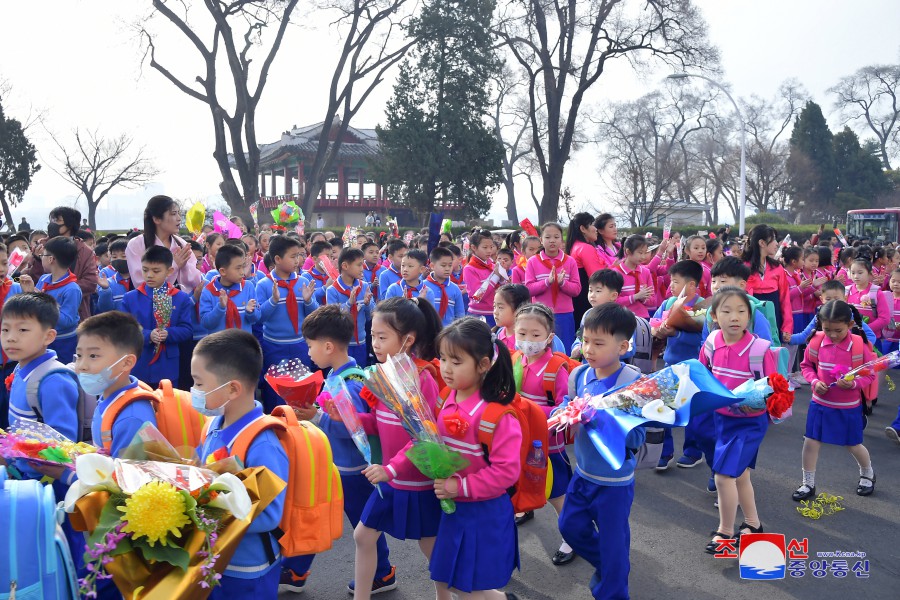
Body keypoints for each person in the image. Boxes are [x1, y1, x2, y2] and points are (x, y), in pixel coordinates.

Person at [279, 305, 395, 595]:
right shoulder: (341, 375)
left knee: (361, 524)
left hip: (353, 471)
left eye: (310, 345)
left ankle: (382, 572)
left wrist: (316, 417)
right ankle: (297, 568)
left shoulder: (349, 383)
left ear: (328, 346)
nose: (308, 352)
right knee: (321, 517)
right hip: (338, 465)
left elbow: (353, 429)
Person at [352, 297, 443, 600]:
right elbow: (379, 423)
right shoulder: (381, 374)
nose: (374, 344)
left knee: (432, 548)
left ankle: (446, 596)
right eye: (372, 336)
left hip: (415, 481)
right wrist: (345, 416)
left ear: (408, 340)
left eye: (382, 337)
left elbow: (423, 437)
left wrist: (390, 468)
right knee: (363, 536)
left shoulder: (422, 378)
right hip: (390, 478)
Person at [555, 303, 643, 600]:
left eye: (598, 343)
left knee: (613, 541)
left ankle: (614, 589)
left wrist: (603, 419)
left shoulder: (634, 384)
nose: (588, 349)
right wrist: (558, 415)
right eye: (585, 340)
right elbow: (566, 406)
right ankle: (613, 569)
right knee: (569, 526)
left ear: (622, 346)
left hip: (614, 483)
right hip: (583, 473)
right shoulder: (579, 375)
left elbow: (638, 436)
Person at [430, 317, 522, 600]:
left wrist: (460, 487)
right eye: (443, 358)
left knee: (467, 584)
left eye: (456, 362)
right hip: (454, 509)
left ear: (483, 365)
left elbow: (507, 472)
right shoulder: (447, 396)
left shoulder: (497, 415)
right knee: (452, 579)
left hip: (483, 512)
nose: (446, 368)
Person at [193, 329, 289, 599]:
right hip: (215, 558)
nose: (194, 392)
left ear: (232, 388)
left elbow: (269, 516)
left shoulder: (263, 444)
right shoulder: (214, 423)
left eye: (199, 384)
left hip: (248, 567)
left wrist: (209, 508)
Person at [700, 287, 776, 554]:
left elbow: (774, 387)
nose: (735, 317)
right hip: (721, 420)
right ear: (714, 315)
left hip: (749, 424)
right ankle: (753, 524)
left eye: (741, 311)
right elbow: (702, 375)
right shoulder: (711, 342)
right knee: (740, 475)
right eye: (727, 311)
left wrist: (759, 399)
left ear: (750, 315)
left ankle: (726, 532)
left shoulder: (759, 349)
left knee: (723, 477)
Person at [510, 303, 574, 566]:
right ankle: (525, 508)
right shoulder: (515, 359)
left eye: (535, 335)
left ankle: (572, 536)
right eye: (522, 333)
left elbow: (565, 406)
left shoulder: (556, 369)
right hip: (520, 438)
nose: (528, 341)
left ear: (549, 337)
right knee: (523, 477)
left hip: (548, 443)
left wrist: (529, 409)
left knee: (556, 491)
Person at [795, 300, 877, 499]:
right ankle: (808, 483)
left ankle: (868, 473)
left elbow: (871, 374)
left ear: (850, 325)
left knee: (853, 444)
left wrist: (854, 384)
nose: (832, 334)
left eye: (837, 330)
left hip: (848, 407)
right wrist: (814, 382)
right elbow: (806, 366)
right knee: (811, 442)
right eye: (827, 329)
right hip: (820, 404)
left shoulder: (858, 345)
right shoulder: (816, 341)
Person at [651, 260, 707, 472]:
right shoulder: (668, 303)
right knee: (664, 408)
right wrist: (658, 331)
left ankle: (693, 451)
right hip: (670, 365)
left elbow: (705, 340)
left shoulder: (704, 307)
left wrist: (678, 334)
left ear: (692, 285)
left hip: (694, 367)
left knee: (692, 412)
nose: (671, 286)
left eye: (675, 282)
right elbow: (653, 323)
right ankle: (664, 452)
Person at [75, 311, 155, 458]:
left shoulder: (131, 418)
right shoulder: (108, 396)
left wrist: (63, 474)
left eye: (93, 356)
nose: (81, 365)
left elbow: (125, 478)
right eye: (79, 356)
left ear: (126, 363)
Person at [3, 292, 80, 442]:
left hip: (28, 466)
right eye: (5, 329)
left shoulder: (54, 381)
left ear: (48, 336)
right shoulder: (19, 368)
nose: (10, 337)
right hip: (16, 463)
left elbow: (63, 447)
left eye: (23, 330)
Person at [255, 236, 318, 410]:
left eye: (298, 255)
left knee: (301, 389)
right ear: (277, 259)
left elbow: (314, 315)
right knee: (276, 392)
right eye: (292, 256)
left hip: (300, 344)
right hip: (274, 347)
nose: (297, 260)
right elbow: (259, 318)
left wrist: (308, 301)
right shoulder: (264, 285)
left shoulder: (303, 282)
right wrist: (273, 301)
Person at [122, 246, 193, 387]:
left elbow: (187, 330)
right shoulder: (130, 298)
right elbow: (124, 330)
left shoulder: (180, 297)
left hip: (168, 365)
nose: (149, 275)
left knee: (167, 404)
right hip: (139, 364)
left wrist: (168, 334)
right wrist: (148, 335)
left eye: (156, 271)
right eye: (145, 270)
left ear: (169, 271)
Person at [24, 206, 97, 320]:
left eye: (58, 220)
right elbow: (32, 278)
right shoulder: (42, 246)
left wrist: (64, 289)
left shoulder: (85, 251)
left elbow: (91, 282)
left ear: (70, 224)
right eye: (52, 220)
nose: (53, 224)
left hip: (76, 313)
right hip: (42, 316)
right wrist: (38, 260)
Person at [22, 236, 82, 363]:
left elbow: (68, 321)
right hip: (43, 337)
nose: (41, 257)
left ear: (51, 259)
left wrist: (43, 301)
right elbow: (34, 306)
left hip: (63, 342)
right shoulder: (44, 279)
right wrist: (29, 293)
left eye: (43, 255)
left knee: (61, 372)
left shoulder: (72, 289)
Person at [126, 195, 201, 293]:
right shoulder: (136, 244)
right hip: (148, 304)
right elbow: (140, 283)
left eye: (179, 213)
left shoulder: (182, 244)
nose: (179, 218)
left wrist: (184, 266)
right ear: (157, 219)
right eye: (173, 214)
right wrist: (174, 265)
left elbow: (196, 281)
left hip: (180, 303)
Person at [524, 222, 581, 351]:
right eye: (548, 237)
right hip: (540, 314)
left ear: (562, 240)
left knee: (565, 349)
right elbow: (528, 290)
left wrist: (562, 283)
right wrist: (547, 282)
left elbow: (577, 289)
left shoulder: (570, 261)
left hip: (564, 314)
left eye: (556, 237)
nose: (552, 241)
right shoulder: (533, 261)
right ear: (541, 240)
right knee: (541, 349)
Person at [325, 248, 374, 368]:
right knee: (342, 377)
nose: (362, 268)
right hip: (341, 344)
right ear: (345, 266)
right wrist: (348, 304)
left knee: (359, 376)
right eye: (358, 265)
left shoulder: (364, 286)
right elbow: (332, 319)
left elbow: (370, 316)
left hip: (361, 342)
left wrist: (368, 304)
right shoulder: (333, 290)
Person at [743, 224, 792, 343]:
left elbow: (785, 299)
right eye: (773, 239)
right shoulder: (742, 267)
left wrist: (787, 327)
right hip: (750, 320)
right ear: (762, 243)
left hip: (775, 319)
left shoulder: (777, 267)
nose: (777, 243)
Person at [200, 245, 259, 334]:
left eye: (243, 267)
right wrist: (220, 308)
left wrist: (251, 312)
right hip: (219, 345)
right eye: (238, 268)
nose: (242, 272)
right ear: (223, 271)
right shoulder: (209, 291)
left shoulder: (248, 287)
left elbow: (256, 319)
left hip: (243, 344)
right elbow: (206, 324)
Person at [570, 269, 624, 360]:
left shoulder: (621, 318)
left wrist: (602, 350)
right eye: (590, 290)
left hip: (611, 368)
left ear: (613, 296)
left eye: (598, 291)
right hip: (588, 366)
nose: (592, 295)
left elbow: (629, 348)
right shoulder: (588, 315)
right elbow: (580, 338)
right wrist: (576, 348)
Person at [566, 213, 604, 325]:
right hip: (587, 300)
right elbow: (598, 276)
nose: (596, 229)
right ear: (583, 228)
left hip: (577, 300)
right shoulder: (585, 248)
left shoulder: (574, 246)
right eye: (592, 224)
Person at [464, 230, 504, 326]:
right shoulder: (469, 269)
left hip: (495, 312)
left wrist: (503, 279)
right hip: (479, 314)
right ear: (474, 247)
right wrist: (496, 277)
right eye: (485, 247)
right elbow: (478, 296)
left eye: (491, 247)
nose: (489, 250)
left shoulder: (493, 265)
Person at [425, 247, 465, 327]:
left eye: (450, 265)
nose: (447, 269)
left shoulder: (455, 289)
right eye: (443, 265)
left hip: (449, 334)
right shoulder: (423, 287)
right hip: (427, 333)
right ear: (432, 266)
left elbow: (460, 316)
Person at [492, 284, 531, 352]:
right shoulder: (496, 335)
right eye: (494, 306)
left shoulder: (527, 341)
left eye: (500, 307)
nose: (495, 312)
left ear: (519, 309)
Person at [301, 241, 335, 305]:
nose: (330, 260)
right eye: (326, 257)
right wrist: (325, 288)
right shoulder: (306, 276)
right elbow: (307, 298)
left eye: (331, 257)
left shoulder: (333, 276)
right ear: (315, 259)